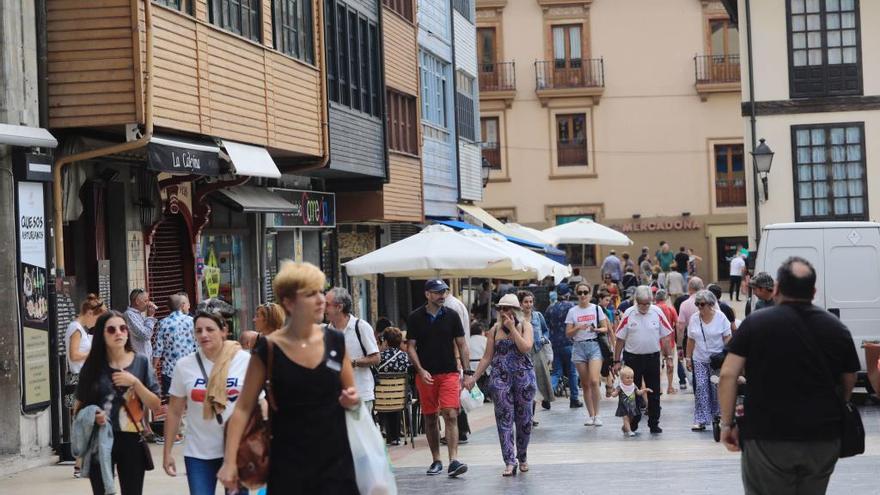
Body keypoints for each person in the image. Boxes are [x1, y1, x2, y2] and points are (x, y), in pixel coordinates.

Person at [719, 257, 861, 494]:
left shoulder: (756, 324)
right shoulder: (836, 328)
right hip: (822, 435)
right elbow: (850, 378)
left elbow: (727, 374)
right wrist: (840, 404)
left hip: (767, 435)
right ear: (813, 291)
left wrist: (727, 423)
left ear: (776, 288)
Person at [219, 261, 360, 493]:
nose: (320, 299)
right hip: (288, 463)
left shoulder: (336, 341)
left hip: (336, 461)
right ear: (289, 302)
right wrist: (229, 461)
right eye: (310, 294)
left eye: (320, 292)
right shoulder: (269, 348)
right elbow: (243, 407)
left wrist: (351, 400)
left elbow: (352, 394)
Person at [161, 310, 250, 494]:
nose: (204, 335)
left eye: (210, 329)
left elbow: (259, 405)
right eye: (198, 330)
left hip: (236, 452)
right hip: (199, 453)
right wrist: (167, 451)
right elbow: (174, 411)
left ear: (224, 331)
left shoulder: (244, 361)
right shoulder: (184, 366)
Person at [74, 310, 161, 495]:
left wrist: (135, 383)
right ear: (101, 335)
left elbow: (155, 404)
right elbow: (78, 407)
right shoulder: (92, 366)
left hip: (131, 439)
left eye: (123, 328)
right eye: (111, 330)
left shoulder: (141, 362)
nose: (118, 333)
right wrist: (92, 415)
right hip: (100, 438)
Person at [465, 294, 536, 476]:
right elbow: (487, 357)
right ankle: (509, 460)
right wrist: (474, 377)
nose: (504, 312)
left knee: (525, 420)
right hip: (501, 377)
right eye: (501, 308)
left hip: (523, 377)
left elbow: (526, 347)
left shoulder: (525, 326)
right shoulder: (494, 330)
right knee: (504, 419)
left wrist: (513, 329)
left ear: (516, 310)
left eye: (507, 308)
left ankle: (523, 456)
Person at [405, 279, 470, 478]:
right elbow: (411, 347)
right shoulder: (415, 317)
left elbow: (462, 344)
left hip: (449, 372)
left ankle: (453, 460)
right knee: (430, 417)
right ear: (427, 294)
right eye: (437, 292)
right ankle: (436, 460)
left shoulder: (452, 315)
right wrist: (420, 369)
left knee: (450, 413)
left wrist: (467, 372)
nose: (442, 295)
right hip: (426, 376)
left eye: (444, 291)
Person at [613, 286, 673, 434]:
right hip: (633, 359)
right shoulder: (629, 313)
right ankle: (633, 422)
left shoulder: (657, 312)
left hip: (652, 357)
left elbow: (665, 337)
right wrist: (616, 361)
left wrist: (669, 357)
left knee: (654, 392)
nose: (645, 307)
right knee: (631, 393)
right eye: (641, 303)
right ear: (636, 301)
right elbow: (620, 338)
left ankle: (654, 423)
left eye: (647, 303)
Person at [65, 294, 106, 478]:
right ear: (89, 313)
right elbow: (74, 355)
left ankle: (81, 463)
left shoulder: (80, 328)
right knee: (84, 420)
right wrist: (93, 353)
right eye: (96, 318)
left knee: (86, 420)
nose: (95, 322)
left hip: (83, 378)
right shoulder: (76, 329)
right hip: (78, 379)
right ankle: (79, 463)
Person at [326, 287, 380, 411]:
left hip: (361, 394)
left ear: (339, 307)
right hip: (335, 397)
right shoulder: (326, 331)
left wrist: (353, 362)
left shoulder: (361, 327)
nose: (324, 308)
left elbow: (376, 358)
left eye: (327, 305)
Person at [685, 290, 731, 431]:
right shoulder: (694, 318)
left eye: (702, 304)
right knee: (700, 388)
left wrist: (729, 357)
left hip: (717, 360)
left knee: (716, 388)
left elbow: (728, 338)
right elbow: (691, 340)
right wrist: (688, 357)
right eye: (697, 304)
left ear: (711, 304)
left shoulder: (721, 317)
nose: (699, 307)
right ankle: (701, 419)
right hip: (699, 359)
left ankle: (719, 417)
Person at [565, 282, 609, 426]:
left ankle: (598, 415)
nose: (583, 295)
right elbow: (568, 334)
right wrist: (578, 327)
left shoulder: (596, 309)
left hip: (594, 345)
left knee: (594, 381)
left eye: (585, 292)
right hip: (578, 347)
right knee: (585, 384)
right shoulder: (573, 311)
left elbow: (605, 328)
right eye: (580, 293)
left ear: (590, 294)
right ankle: (590, 415)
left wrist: (596, 330)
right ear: (577, 294)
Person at [544, 283, 582, 408]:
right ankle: (574, 399)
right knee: (572, 372)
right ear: (567, 294)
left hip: (554, 344)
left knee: (556, 372)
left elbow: (547, 326)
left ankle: (547, 396)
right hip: (569, 343)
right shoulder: (571, 307)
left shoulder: (550, 308)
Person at [153, 293, 196, 398]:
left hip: (170, 372)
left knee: (172, 405)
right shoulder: (192, 321)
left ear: (167, 307)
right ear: (181, 305)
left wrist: (153, 368)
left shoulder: (163, 323)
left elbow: (158, 349)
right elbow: (198, 345)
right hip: (190, 370)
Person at [519, 291, 554, 411]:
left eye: (530, 302)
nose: (528, 304)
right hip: (523, 354)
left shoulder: (538, 316)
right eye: (525, 302)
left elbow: (545, 330)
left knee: (541, 382)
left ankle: (545, 399)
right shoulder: (518, 319)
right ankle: (530, 416)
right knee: (528, 385)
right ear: (520, 304)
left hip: (538, 351)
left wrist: (544, 338)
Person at [377, 326, 411, 446]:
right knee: (395, 399)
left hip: (381, 398)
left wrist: (381, 349)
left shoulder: (379, 357)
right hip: (400, 397)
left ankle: (385, 430)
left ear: (385, 341)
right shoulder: (404, 356)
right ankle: (396, 436)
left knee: (386, 397)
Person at [611, 366, 652, 437]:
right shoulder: (620, 386)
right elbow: (615, 393)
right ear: (622, 379)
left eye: (631, 378)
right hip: (623, 406)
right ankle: (629, 431)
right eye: (627, 378)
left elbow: (638, 392)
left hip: (632, 406)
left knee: (631, 419)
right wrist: (613, 393)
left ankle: (625, 428)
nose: (630, 379)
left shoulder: (633, 386)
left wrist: (644, 390)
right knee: (626, 418)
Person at [653, 289, 680, 395]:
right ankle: (669, 387)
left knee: (657, 366)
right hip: (670, 341)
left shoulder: (653, 309)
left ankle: (658, 388)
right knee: (670, 363)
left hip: (656, 341)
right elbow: (677, 323)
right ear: (665, 298)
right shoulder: (670, 308)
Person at [125, 289, 158, 360]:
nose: (148, 303)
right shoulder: (129, 315)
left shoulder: (138, 314)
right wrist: (150, 317)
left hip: (145, 359)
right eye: (145, 301)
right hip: (138, 360)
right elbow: (145, 335)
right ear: (137, 301)